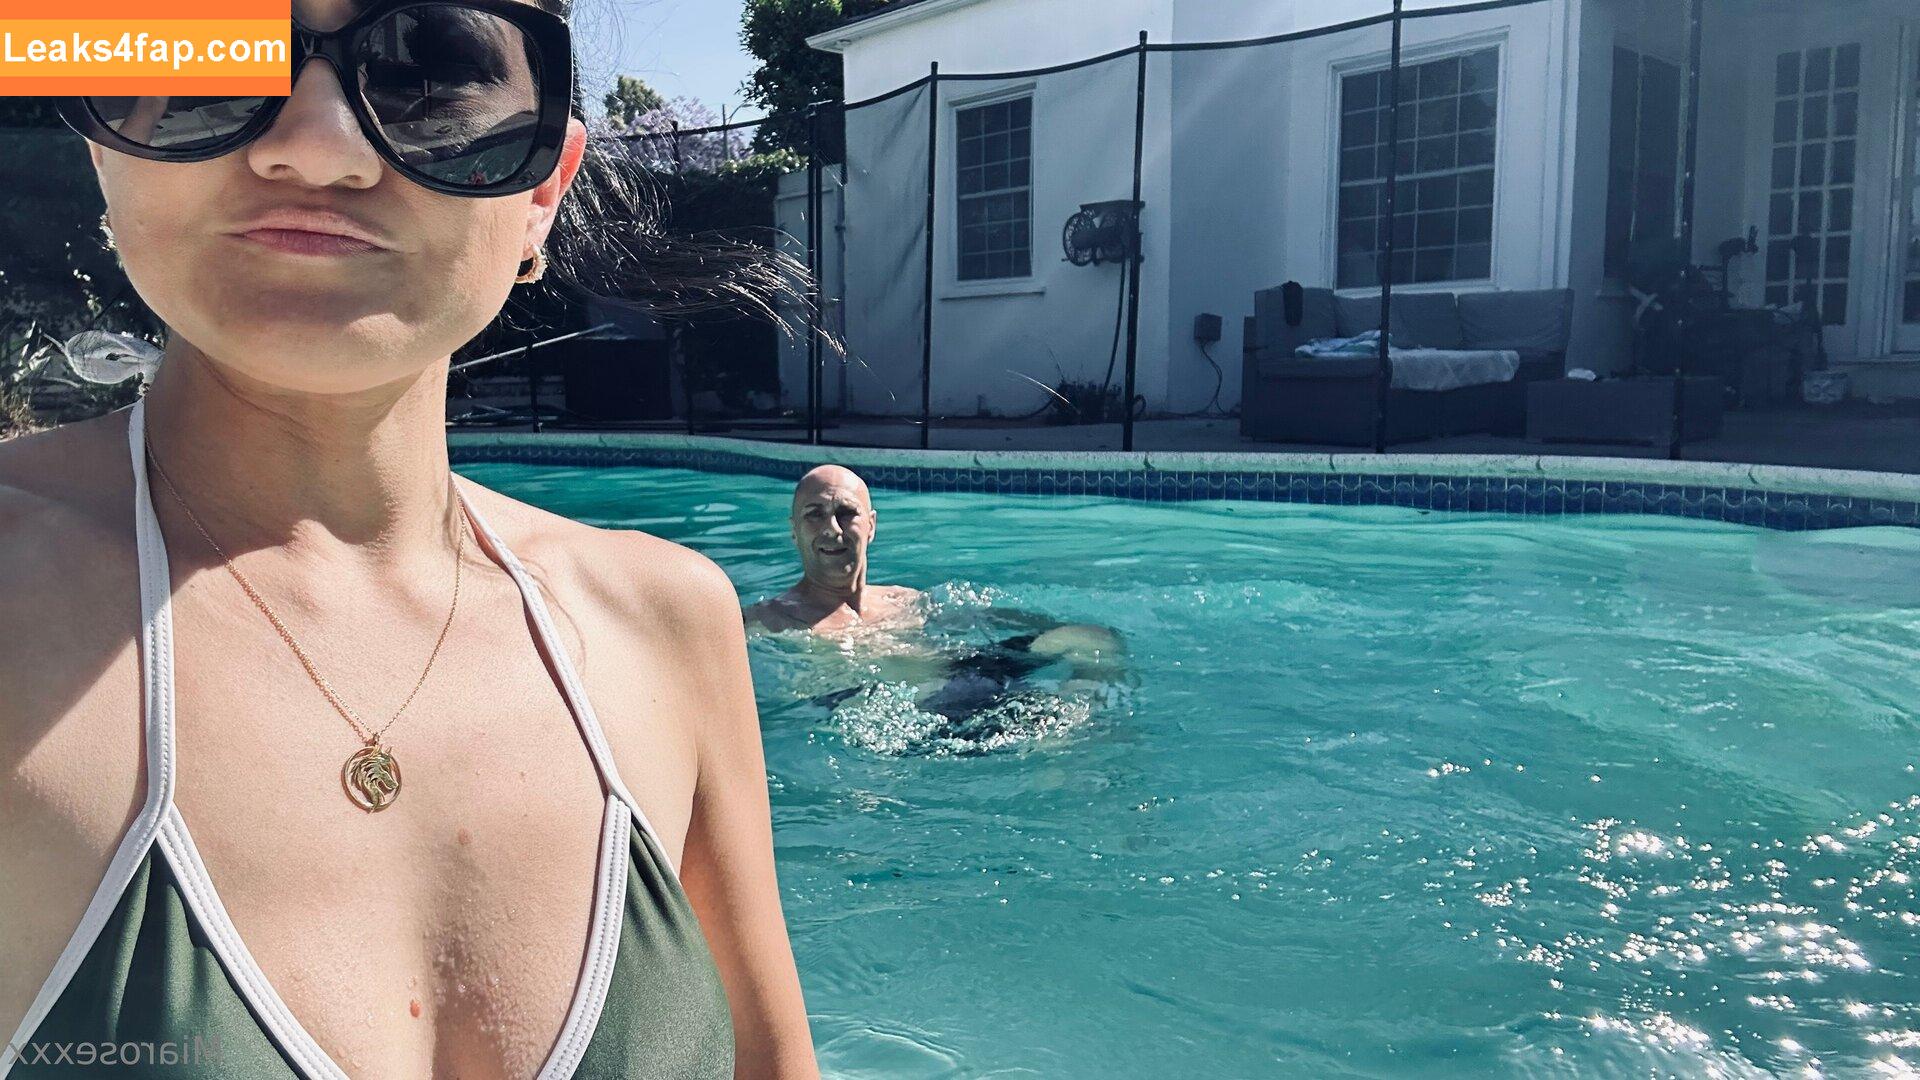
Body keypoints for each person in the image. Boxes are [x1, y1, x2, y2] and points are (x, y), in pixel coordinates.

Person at [0, 3, 816, 1077]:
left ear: (542, 192)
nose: (315, 146)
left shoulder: (668, 624)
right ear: (105, 144)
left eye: (431, 69)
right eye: (216, 57)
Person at [746, 466, 1125, 727]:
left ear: (871, 526)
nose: (832, 528)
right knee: (1039, 729)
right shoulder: (767, 621)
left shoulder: (906, 600)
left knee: (1092, 638)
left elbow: (988, 618)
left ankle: (1089, 724)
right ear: (794, 531)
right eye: (814, 514)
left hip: (969, 676)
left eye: (846, 513)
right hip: (909, 717)